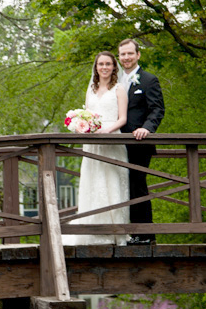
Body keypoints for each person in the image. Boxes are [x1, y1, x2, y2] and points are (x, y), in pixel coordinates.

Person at [63, 51, 130, 246]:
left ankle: (114, 232)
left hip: (112, 140)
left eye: (108, 64)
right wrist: (81, 126)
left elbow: (123, 119)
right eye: (101, 64)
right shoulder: (90, 89)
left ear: (113, 67)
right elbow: (86, 114)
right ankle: (91, 231)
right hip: (92, 142)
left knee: (111, 182)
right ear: (96, 67)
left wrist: (107, 131)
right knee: (93, 182)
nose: (104, 67)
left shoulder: (119, 89)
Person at [118, 38, 165, 244]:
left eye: (130, 53)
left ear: (138, 55)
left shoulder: (148, 80)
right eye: (122, 54)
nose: (126, 58)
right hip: (115, 143)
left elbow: (157, 109)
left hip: (138, 143)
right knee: (119, 186)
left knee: (138, 185)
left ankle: (144, 234)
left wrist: (146, 128)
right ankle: (122, 232)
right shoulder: (114, 80)